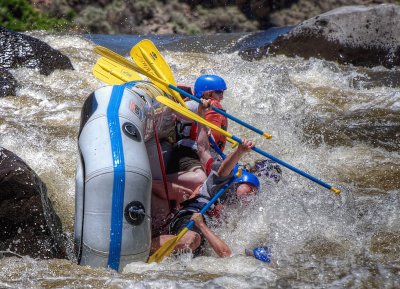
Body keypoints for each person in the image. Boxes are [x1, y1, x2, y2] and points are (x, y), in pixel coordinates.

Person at [151, 100, 257, 257]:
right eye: (243, 192)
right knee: (191, 240)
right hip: (189, 224)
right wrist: (240, 151)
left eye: (247, 195)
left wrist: (202, 225)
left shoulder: (233, 216)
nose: (243, 197)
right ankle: (145, 247)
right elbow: (221, 168)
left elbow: (227, 255)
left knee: (194, 242)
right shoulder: (212, 191)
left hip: (200, 234)